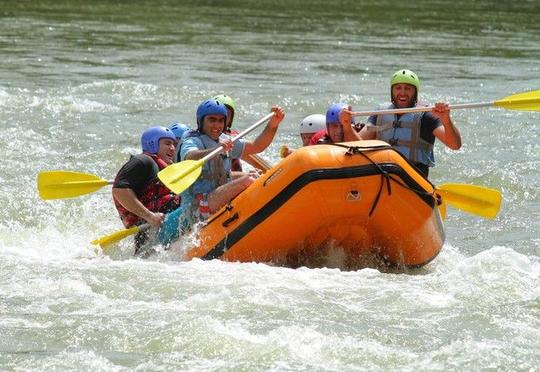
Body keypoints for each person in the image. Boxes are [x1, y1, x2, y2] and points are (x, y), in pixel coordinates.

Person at [179, 98, 285, 229]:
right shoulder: (192, 140)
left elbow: (257, 146)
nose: (217, 125)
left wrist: (273, 125)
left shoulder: (225, 140)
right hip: (198, 205)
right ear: (201, 121)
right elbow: (190, 157)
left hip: (218, 197)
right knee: (248, 180)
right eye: (212, 120)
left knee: (257, 175)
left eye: (221, 120)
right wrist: (216, 150)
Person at [359, 69, 462, 177]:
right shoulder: (381, 113)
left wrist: (446, 121)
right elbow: (358, 142)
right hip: (382, 173)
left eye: (408, 88)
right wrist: (347, 126)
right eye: (398, 88)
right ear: (392, 91)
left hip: (413, 177)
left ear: (415, 92)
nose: (402, 93)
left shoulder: (426, 116)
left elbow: (455, 145)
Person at [112, 126, 181, 253]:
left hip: (157, 227)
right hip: (150, 229)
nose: (172, 148)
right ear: (152, 144)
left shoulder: (163, 168)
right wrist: (150, 216)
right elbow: (119, 190)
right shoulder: (143, 161)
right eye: (167, 143)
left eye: (174, 144)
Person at [213, 94, 270, 172]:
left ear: (230, 119)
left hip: (237, 179)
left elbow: (253, 157)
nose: (222, 119)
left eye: (226, 115)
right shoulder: (201, 139)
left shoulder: (233, 138)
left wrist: (269, 173)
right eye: (217, 114)